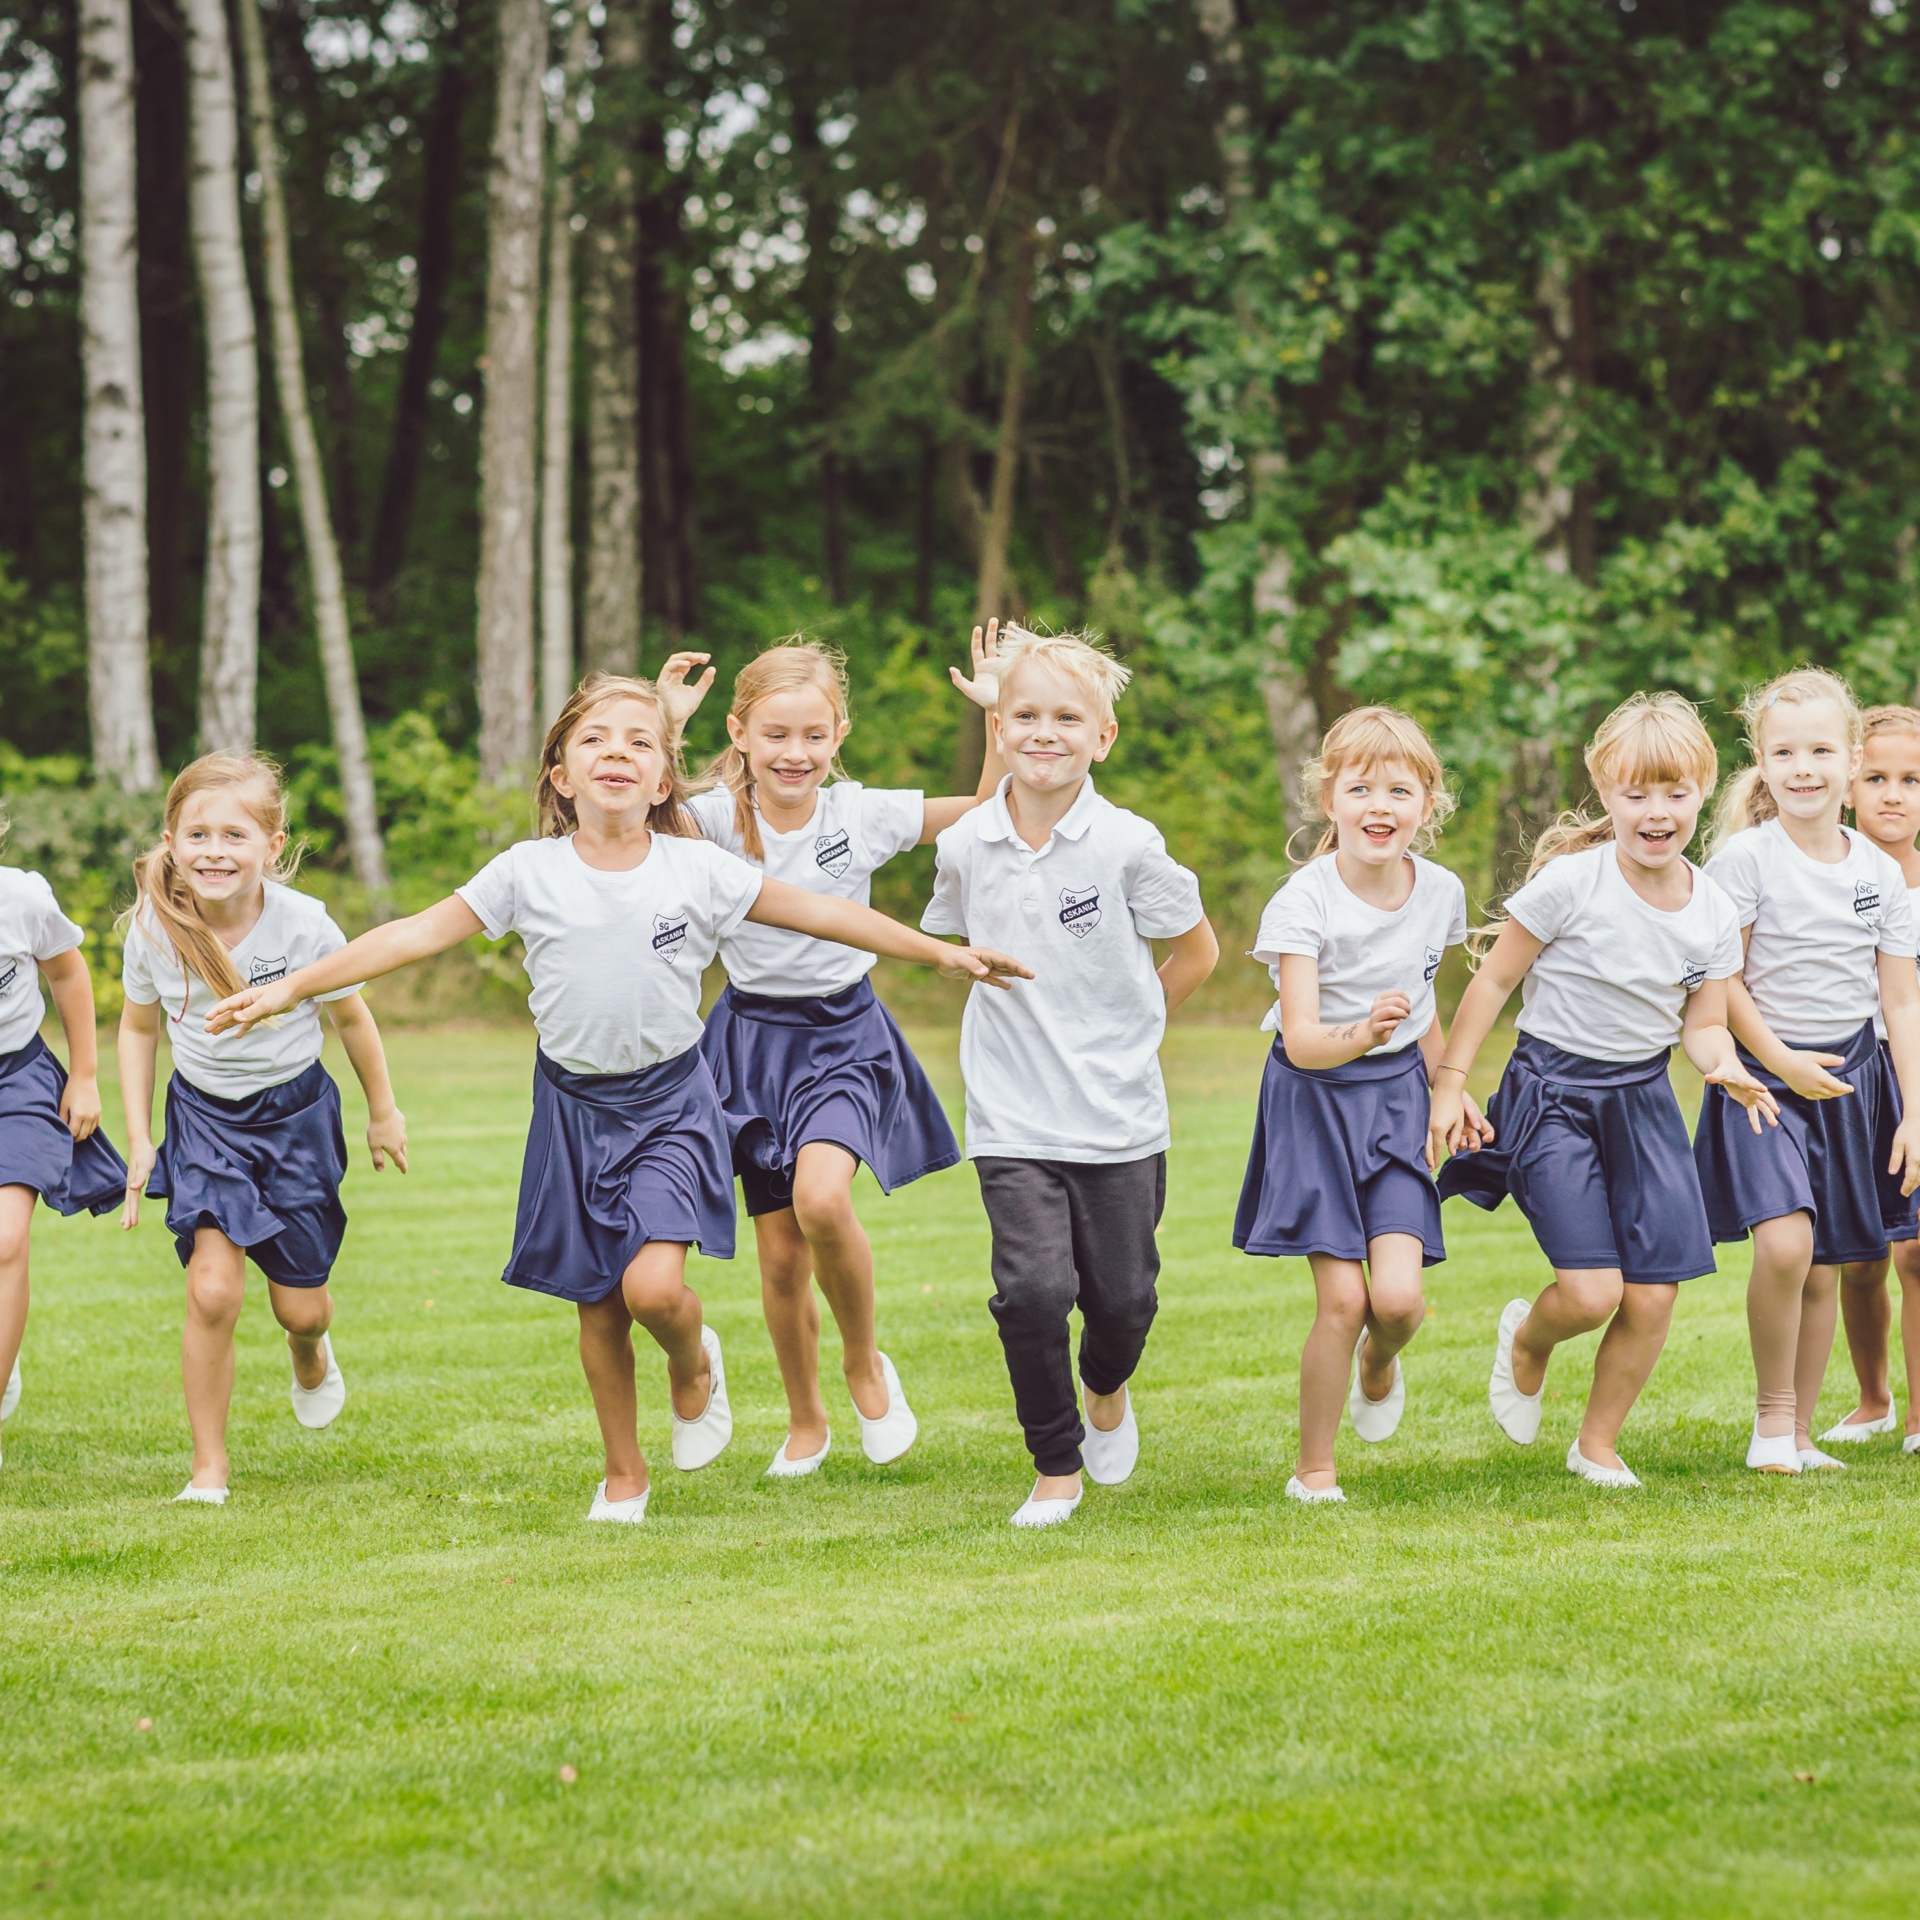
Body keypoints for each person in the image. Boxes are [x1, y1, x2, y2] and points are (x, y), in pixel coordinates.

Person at [208, 670, 1029, 1525]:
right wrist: (291, 986)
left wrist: (940, 954)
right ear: (560, 774)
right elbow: (414, 934)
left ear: (666, 781)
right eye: (595, 741)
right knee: (596, 1301)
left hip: (674, 1105)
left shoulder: (698, 868)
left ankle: (691, 1360)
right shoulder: (525, 872)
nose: (618, 755)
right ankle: (623, 1473)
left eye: (640, 745)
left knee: (653, 1291)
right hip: (572, 1110)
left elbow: (823, 916)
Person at [682, 629, 1006, 1476]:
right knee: (781, 1255)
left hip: (843, 1036)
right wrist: (663, 719)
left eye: (814, 735)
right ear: (740, 733)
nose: (796, 753)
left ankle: (865, 1364)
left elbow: (984, 815)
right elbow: (629, 802)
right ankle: (805, 1420)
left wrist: (999, 717)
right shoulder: (711, 819)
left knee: (822, 1200)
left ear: (839, 737)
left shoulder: (859, 813)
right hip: (748, 1043)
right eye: (777, 735)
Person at [1432, 693, 1777, 1488]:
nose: (1656, 812)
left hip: (1645, 1104)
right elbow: (1493, 984)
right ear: (1606, 790)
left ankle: (1596, 1444)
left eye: (1675, 793)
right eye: (1636, 793)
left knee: (1654, 1296)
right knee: (1591, 1294)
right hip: (1552, 1094)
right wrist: (1451, 1082)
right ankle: (1529, 1340)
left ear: (1702, 790)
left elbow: (1704, 1022)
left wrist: (1721, 1062)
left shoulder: (1714, 909)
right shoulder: (1571, 884)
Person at [922, 627, 1218, 1528]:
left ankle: (1106, 1389)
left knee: (1123, 1301)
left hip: (1119, 1115)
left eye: (1066, 717)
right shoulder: (968, 841)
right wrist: (956, 963)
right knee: (1032, 1291)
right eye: (1025, 715)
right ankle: (1054, 1465)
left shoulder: (1127, 843)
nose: (1044, 732)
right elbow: (946, 941)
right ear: (999, 729)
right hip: (1011, 1112)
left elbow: (1198, 951)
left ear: (1103, 737)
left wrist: (1133, 1029)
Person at [118, 753, 409, 1506]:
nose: (216, 851)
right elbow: (138, 1028)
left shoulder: (305, 923)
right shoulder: (154, 928)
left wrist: (383, 1110)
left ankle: (309, 1348)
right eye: (199, 834)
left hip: (295, 1122)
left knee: (299, 1307)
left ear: (271, 846)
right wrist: (141, 1133)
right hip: (206, 1122)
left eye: (235, 835)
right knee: (212, 1291)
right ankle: (208, 1470)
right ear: (172, 841)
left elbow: (352, 1016)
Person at [1233, 706, 1488, 1504]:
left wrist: (1452, 1081)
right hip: (1314, 1101)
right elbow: (1304, 1039)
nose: (1380, 806)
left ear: (1428, 803)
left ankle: (1381, 1361)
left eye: (1400, 791)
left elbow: (1427, 1011)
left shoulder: (1441, 892)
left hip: (1398, 1104)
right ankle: (1315, 1471)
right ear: (1330, 798)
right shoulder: (1302, 902)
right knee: (1343, 1300)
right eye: (1361, 788)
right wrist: (1365, 1027)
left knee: (1399, 1302)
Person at [1694, 668, 1920, 1472]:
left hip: (1852, 1086)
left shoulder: (1880, 874)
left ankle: (1796, 1440)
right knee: (1787, 1247)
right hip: (1760, 1083)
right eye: (1784, 751)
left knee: (1825, 1264)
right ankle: (1771, 1422)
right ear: (1760, 758)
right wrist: (1779, 1059)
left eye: (1821, 749)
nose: (1803, 767)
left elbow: (1898, 1002)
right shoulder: (1745, 861)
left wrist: (1915, 1113)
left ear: (1851, 760)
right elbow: (1726, 981)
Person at [0, 857, 128, 1462]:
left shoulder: (19, 898)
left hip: (17, 1081)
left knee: (4, 1237)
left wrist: (84, 1074)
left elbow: (68, 973)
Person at [1828, 705, 1920, 1455]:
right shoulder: (1829, 869)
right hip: (1854, 1073)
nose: (1894, 794)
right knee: (1860, 1254)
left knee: (1916, 1251)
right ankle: (1873, 1398)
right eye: (1878, 777)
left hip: (1914, 1074)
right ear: (1849, 784)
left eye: (1912, 780)